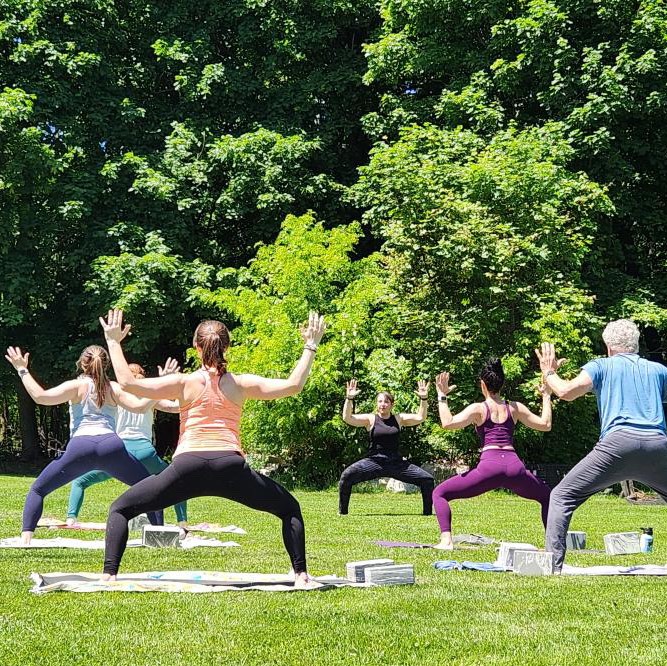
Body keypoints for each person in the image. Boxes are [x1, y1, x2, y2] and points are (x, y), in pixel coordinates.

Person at [99, 308, 326, 589]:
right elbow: (293, 385)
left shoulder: (183, 383)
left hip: (187, 465)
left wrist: (113, 341)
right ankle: (301, 575)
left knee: (120, 509)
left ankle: (109, 575)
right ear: (227, 346)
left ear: (196, 347)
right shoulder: (240, 383)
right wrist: (310, 344)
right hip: (230, 466)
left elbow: (129, 382)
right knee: (289, 508)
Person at [537, 319, 667, 571]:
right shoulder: (659, 371)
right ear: (636, 344)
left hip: (617, 446)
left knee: (562, 496)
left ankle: (552, 565)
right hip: (657, 445)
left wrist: (549, 372)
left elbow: (565, 392)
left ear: (608, 346)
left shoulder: (601, 366)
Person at [4, 344, 163, 544]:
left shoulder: (77, 386)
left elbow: (40, 397)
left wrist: (22, 370)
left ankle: (26, 538)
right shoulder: (112, 387)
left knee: (38, 489)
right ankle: (160, 538)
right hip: (110, 446)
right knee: (151, 488)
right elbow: (140, 407)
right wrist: (160, 387)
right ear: (106, 365)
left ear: (81, 363)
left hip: (81, 446)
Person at [432, 358, 552, 550]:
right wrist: (546, 396)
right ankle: (552, 543)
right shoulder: (515, 407)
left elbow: (447, 423)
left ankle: (446, 541)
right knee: (548, 497)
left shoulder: (478, 408)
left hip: (489, 466)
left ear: (482, 385)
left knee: (439, 493)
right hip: (514, 467)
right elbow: (545, 425)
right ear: (502, 384)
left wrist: (442, 395)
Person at [66, 360, 188, 529]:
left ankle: (71, 519)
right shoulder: (150, 397)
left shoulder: (117, 394)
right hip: (146, 452)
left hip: (120, 452)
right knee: (177, 482)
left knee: (80, 481)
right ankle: (182, 521)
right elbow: (175, 408)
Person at [338, 379, 435, 516]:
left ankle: (427, 514)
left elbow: (420, 417)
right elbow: (347, 418)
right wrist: (349, 398)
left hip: (396, 463)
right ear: (377, 404)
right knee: (346, 476)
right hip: (374, 462)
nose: (382, 404)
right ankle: (343, 513)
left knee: (427, 479)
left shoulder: (398, 419)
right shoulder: (371, 419)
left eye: (386, 402)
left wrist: (423, 398)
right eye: (380, 401)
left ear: (391, 404)